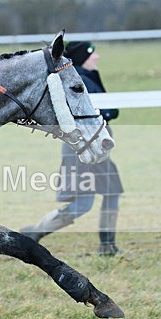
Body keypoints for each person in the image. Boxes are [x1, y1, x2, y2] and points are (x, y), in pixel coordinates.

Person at [20, 41, 124, 255]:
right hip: (82, 149)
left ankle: (107, 245)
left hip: (98, 149)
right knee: (83, 204)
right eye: (92, 54)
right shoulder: (80, 81)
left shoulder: (90, 77)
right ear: (83, 58)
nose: (96, 57)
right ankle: (35, 233)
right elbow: (105, 112)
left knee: (112, 191)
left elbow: (110, 110)